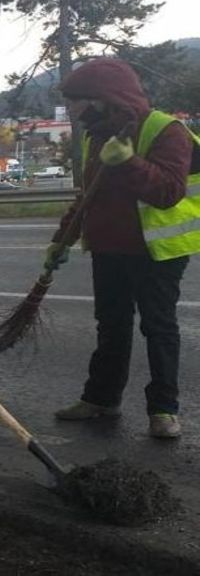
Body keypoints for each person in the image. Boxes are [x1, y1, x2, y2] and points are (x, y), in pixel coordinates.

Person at [50, 58, 199, 439]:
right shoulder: (95, 135)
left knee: (158, 326)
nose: (74, 110)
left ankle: (163, 410)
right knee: (111, 326)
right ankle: (100, 399)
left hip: (156, 251)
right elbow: (89, 197)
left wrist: (129, 161)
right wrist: (62, 240)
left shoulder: (167, 131)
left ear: (103, 98)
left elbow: (168, 192)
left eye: (78, 101)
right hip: (109, 247)